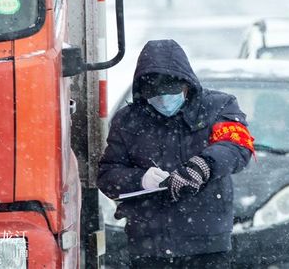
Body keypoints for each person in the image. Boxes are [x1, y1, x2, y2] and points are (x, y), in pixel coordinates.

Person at [98, 39, 254, 268]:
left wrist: (203, 166)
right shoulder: (128, 121)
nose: (163, 98)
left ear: (186, 84)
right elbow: (108, 175)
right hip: (149, 244)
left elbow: (237, 146)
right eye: (154, 91)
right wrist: (141, 180)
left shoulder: (218, 107)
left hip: (207, 243)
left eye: (169, 89)